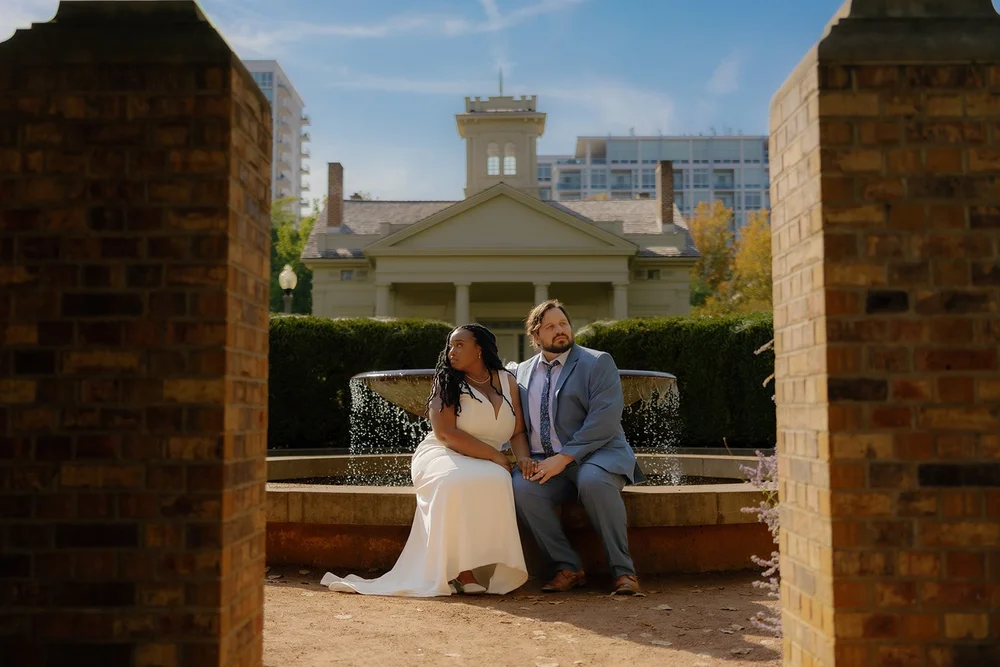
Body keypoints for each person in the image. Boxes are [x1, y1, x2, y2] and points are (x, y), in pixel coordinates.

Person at [320, 324, 529, 597]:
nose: (451, 352)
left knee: (498, 478)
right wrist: (494, 454)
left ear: (479, 349)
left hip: (487, 458)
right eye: (450, 346)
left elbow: (518, 431)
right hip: (443, 452)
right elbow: (445, 432)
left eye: (459, 345)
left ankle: (486, 567)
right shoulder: (446, 381)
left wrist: (523, 458)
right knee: (456, 481)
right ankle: (460, 572)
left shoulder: (507, 381)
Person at [510, 300, 645, 595]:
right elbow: (517, 425)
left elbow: (604, 421)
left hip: (599, 456)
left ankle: (624, 572)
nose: (560, 330)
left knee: (593, 481)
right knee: (522, 487)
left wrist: (564, 457)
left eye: (563, 324)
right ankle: (568, 566)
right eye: (550, 327)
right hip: (546, 461)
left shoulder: (598, 362)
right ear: (535, 337)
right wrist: (525, 459)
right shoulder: (520, 373)